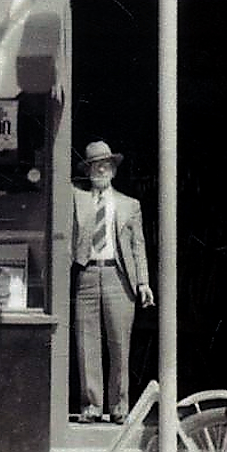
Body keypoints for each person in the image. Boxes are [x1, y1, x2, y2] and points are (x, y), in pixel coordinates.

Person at [70, 140, 154, 424]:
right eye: (95, 165)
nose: (101, 169)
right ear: (88, 170)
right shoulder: (77, 199)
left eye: (106, 164)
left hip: (119, 277)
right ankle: (91, 406)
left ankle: (119, 407)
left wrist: (143, 282)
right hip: (87, 274)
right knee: (86, 342)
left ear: (114, 170)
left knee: (119, 344)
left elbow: (138, 246)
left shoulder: (130, 205)